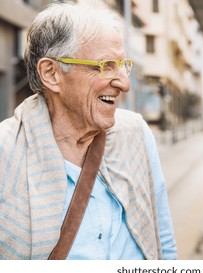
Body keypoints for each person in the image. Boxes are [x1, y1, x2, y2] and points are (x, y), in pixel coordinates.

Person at [0, 1, 176, 260]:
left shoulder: (135, 133)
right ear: (52, 73)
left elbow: (163, 240)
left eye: (122, 65)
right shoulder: (6, 151)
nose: (124, 83)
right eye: (106, 66)